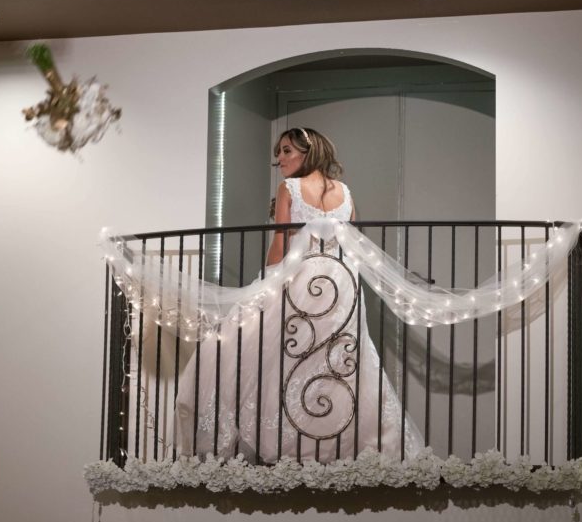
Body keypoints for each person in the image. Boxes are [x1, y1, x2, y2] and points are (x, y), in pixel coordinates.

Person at [174, 128, 423, 463]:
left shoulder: (289, 188)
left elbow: (279, 245)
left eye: (287, 151)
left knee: (279, 355)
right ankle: (338, 444)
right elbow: (349, 245)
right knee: (340, 360)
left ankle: (283, 442)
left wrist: (264, 288)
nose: (280, 160)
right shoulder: (345, 193)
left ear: (308, 151)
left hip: (301, 278)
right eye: (278, 153)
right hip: (341, 283)